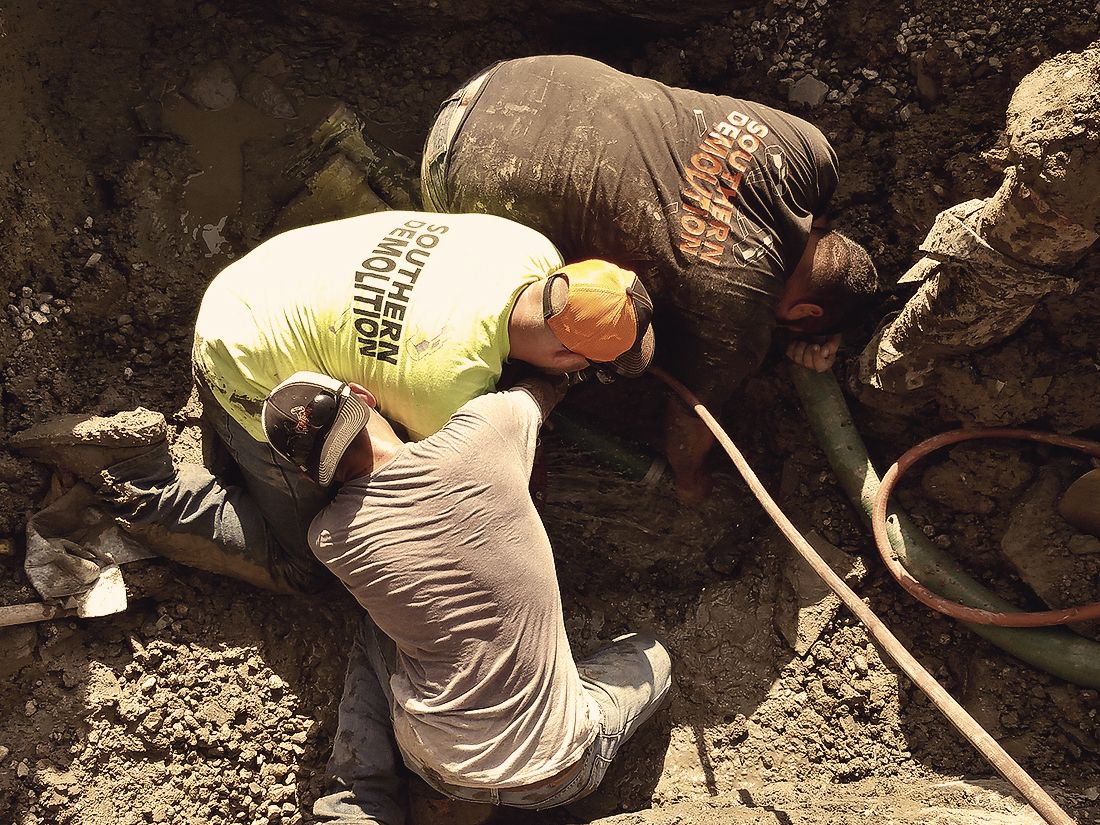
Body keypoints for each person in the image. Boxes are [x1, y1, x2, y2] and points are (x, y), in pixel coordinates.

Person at [16, 210, 655, 594]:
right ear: (568, 358)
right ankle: (136, 479)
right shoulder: (444, 391)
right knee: (309, 567)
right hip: (246, 355)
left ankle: (224, 443)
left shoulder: (524, 246)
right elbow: (430, 488)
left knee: (282, 433)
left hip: (260, 284)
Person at [421, 55, 879, 503]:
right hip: (461, 169)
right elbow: (693, 414)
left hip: (518, 79)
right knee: (573, 327)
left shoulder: (808, 149)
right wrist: (689, 480)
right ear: (803, 312)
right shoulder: (735, 313)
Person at [260, 370, 671, 823]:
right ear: (361, 396)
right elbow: (543, 390)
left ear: (312, 473)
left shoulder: (330, 540)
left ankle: (360, 801)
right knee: (652, 655)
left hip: (440, 766)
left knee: (378, 629)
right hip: (560, 772)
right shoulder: (484, 431)